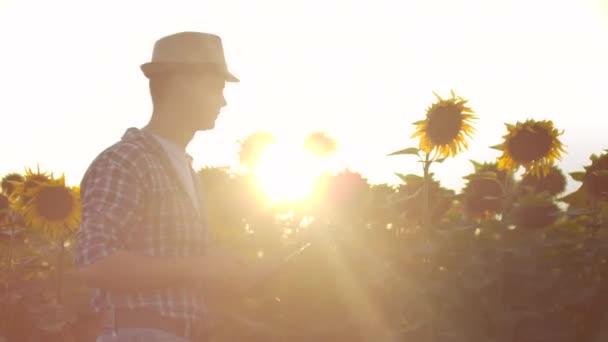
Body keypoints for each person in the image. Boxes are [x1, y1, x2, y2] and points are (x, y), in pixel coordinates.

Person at [75, 31, 249, 342]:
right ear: (182, 84)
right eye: (216, 88)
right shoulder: (126, 160)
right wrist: (199, 267)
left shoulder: (184, 169)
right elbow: (96, 263)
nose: (223, 101)